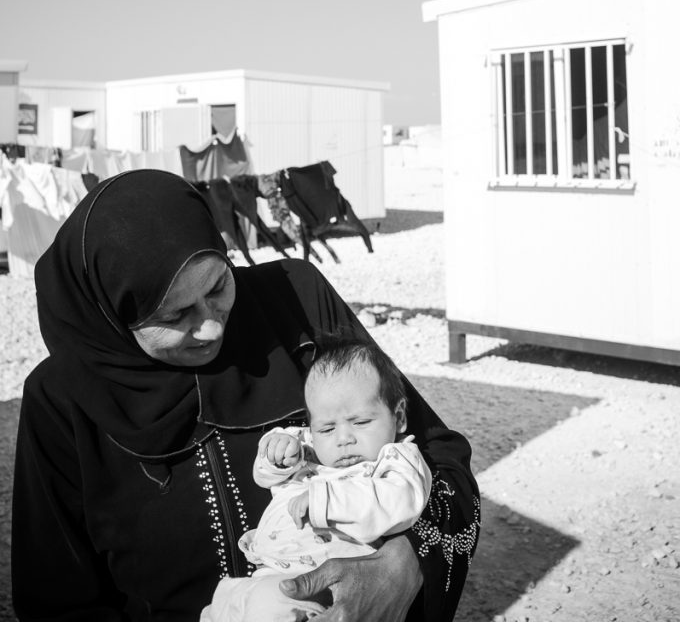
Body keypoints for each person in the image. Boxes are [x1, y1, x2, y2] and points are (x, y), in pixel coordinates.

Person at [11, 169, 480, 621]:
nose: (213, 325)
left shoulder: (296, 302)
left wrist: (405, 565)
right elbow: (57, 597)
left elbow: (442, 458)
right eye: (176, 317)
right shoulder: (61, 401)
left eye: (218, 285)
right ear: (112, 319)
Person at [202, 334, 433, 621]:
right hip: (258, 577)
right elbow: (264, 477)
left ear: (398, 417)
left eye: (361, 422)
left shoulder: (397, 459)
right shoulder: (309, 448)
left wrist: (326, 500)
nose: (343, 439)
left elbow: (402, 503)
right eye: (326, 429)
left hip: (313, 586)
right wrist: (276, 454)